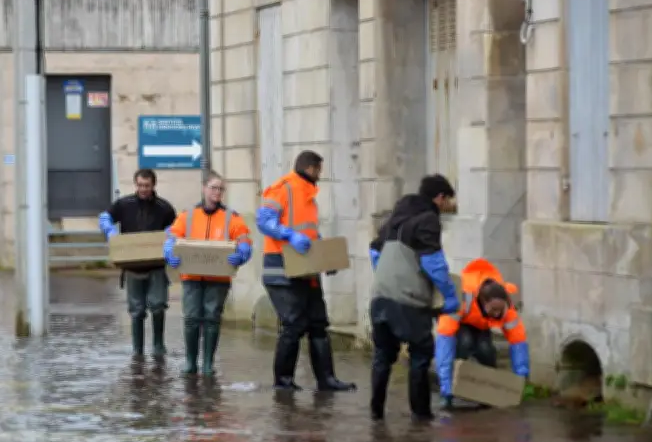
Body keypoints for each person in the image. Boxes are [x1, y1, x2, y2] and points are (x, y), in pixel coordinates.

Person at [256, 150, 356, 392]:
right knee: (293, 324)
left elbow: (310, 234)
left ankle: (327, 380)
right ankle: (283, 381)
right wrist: (288, 235)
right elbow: (264, 220)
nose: (320, 175)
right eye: (319, 170)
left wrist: (324, 259)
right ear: (311, 168)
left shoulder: (308, 196)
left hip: (305, 270)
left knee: (318, 323)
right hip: (281, 268)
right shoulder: (285, 188)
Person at [368, 174, 458, 421]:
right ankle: (420, 414)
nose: (448, 205)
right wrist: (450, 295)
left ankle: (376, 412)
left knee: (382, 355)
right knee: (421, 352)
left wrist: (387, 279)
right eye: (448, 200)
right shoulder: (428, 219)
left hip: (379, 296)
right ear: (439, 197)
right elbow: (433, 263)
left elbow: (374, 252)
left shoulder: (394, 219)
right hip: (407, 299)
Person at [163, 171, 253, 375]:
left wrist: (243, 252)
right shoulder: (187, 216)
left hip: (218, 278)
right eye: (213, 187)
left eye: (221, 189)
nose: (217, 192)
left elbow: (245, 240)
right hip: (192, 277)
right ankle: (190, 362)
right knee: (191, 318)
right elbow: (172, 236)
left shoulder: (232, 218)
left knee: (212, 317)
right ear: (204, 188)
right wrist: (169, 250)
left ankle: (208, 364)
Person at [98, 168, 177, 357]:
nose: (143, 189)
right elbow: (106, 216)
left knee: (158, 305)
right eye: (140, 185)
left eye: (147, 186)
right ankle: (138, 349)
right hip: (132, 266)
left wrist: (171, 237)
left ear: (153, 185)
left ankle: (158, 344)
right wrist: (109, 229)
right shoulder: (124, 204)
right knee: (136, 310)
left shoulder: (164, 207)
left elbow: (176, 228)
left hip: (156, 266)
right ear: (136, 184)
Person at [435, 258, 530, 409]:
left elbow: (518, 342)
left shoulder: (506, 308)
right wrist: (445, 388)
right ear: (483, 301)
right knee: (465, 342)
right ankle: (453, 385)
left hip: (481, 325)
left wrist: (521, 378)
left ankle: (487, 390)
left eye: (501, 310)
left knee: (486, 350)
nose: (497, 313)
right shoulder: (462, 296)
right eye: (493, 310)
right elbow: (445, 341)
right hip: (461, 324)